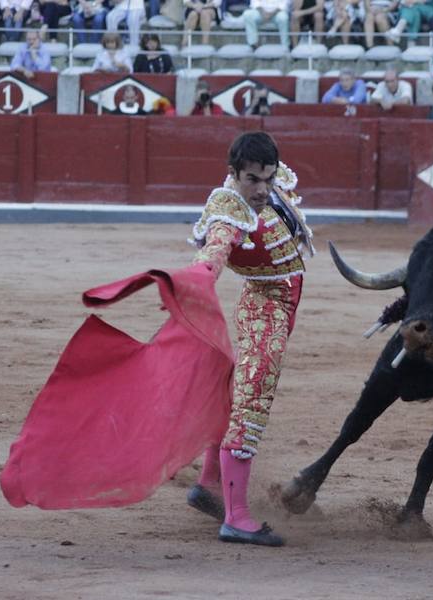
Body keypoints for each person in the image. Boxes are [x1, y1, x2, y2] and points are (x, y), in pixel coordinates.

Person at [186, 131, 314, 547]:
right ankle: (236, 518)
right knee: (252, 399)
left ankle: (208, 484)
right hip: (265, 305)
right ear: (233, 174)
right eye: (251, 180)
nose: (261, 190)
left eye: (267, 179)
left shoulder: (271, 187)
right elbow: (215, 249)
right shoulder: (227, 212)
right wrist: (198, 279)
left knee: (237, 389)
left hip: (277, 300)